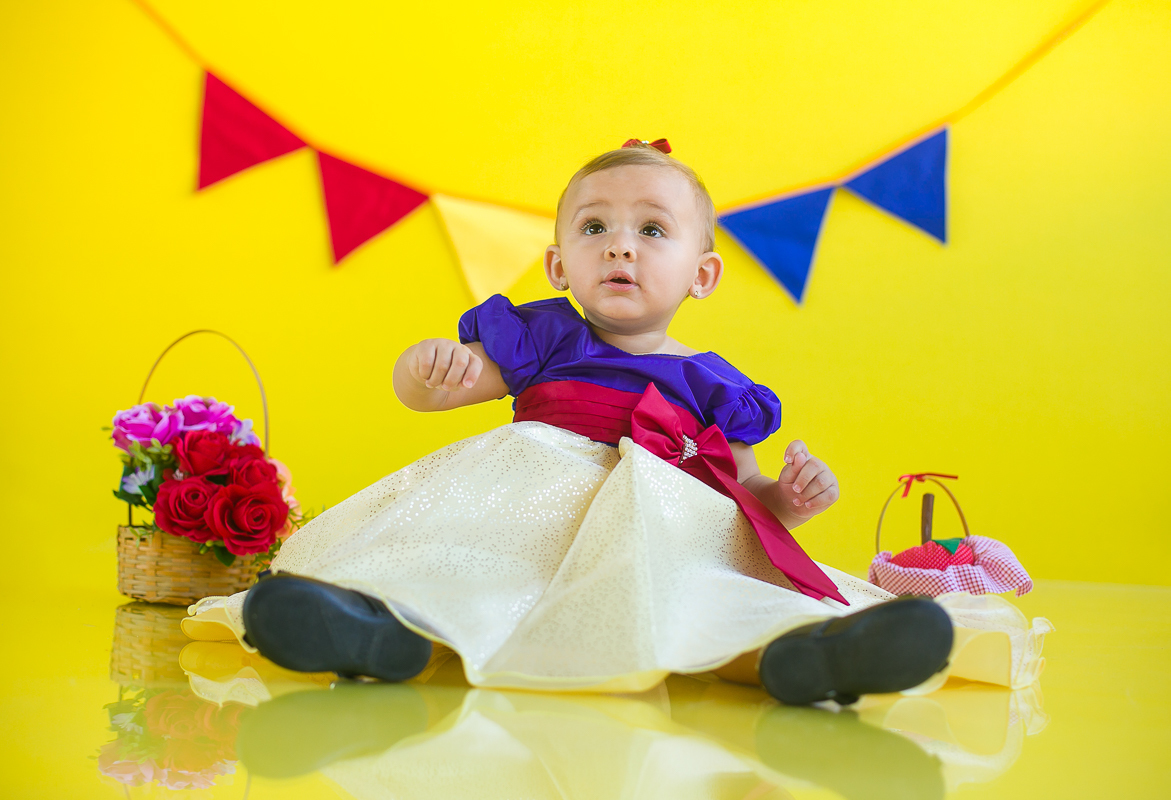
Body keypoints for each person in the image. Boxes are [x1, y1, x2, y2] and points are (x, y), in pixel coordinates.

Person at [183, 141, 970, 705]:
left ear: (702, 273)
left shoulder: (715, 385)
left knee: (706, 597)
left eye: (651, 230)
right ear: (560, 265)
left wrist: (792, 497)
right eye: (593, 228)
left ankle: (797, 656)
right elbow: (440, 393)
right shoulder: (546, 335)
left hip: (662, 527)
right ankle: (383, 632)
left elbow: (750, 491)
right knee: (457, 571)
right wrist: (426, 371)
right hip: (524, 514)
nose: (619, 246)